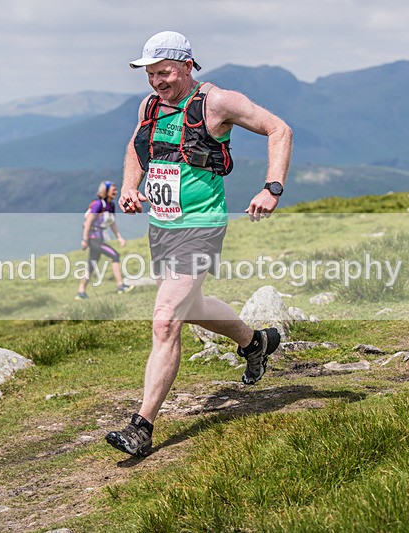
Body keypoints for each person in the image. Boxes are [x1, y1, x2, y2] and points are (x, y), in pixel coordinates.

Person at [105, 31, 293, 457]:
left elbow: (279, 129)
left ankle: (142, 426)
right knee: (189, 309)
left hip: (202, 226)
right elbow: (138, 148)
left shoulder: (218, 102)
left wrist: (273, 188)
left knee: (166, 321)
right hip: (163, 226)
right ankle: (255, 342)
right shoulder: (149, 106)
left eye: (165, 72)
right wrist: (131, 188)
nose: (157, 82)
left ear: (187, 65)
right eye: (151, 74)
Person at [76, 180, 134, 299]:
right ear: (105, 191)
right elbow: (88, 223)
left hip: (99, 238)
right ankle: (120, 286)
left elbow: (112, 223)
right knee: (115, 255)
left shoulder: (111, 205)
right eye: (113, 190)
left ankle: (80, 292)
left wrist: (119, 237)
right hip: (93, 239)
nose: (116, 192)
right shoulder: (98, 204)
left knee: (91, 265)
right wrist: (85, 240)